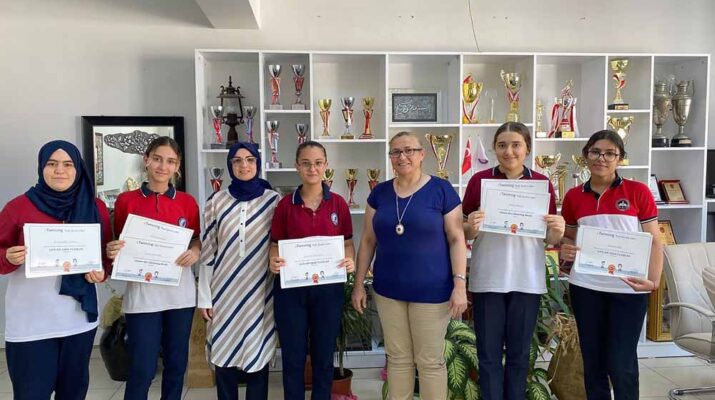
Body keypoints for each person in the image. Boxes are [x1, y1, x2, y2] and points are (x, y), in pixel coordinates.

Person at [352, 131, 467, 400]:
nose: (402, 156)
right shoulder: (379, 193)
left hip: (432, 291)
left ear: (422, 154)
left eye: (409, 150)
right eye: (395, 152)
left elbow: (456, 238)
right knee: (398, 358)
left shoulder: (441, 190)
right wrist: (358, 284)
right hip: (388, 290)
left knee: (430, 361)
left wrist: (460, 284)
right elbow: (367, 240)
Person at [0, 140, 112, 399]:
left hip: (77, 320)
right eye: (52, 164)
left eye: (68, 164)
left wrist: (101, 272)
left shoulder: (95, 207)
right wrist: (7, 256)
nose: (60, 170)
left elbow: (103, 256)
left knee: (73, 393)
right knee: (31, 394)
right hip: (31, 323)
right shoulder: (18, 207)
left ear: (78, 169)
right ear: (41, 168)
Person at [462, 122, 564, 400]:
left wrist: (557, 231)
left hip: (526, 279)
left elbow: (548, 238)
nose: (509, 151)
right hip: (488, 278)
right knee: (488, 356)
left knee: (519, 357)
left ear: (527, 148)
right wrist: (471, 225)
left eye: (516, 145)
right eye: (502, 145)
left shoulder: (541, 183)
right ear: (494, 148)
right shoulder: (479, 181)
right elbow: (464, 231)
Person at [560, 130, 663, 400]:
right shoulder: (573, 196)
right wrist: (565, 248)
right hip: (586, 288)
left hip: (628, 289)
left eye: (610, 153)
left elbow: (655, 241)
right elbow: (569, 237)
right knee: (593, 362)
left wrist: (653, 282)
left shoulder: (638, 191)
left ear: (620, 158)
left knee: (621, 362)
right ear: (586, 156)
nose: (601, 158)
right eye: (595, 152)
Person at [105, 137, 201, 400]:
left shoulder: (187, 202)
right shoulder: (126, 201)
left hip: (179, 296)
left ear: (177, 166)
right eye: (157, 159)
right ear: (146, 160)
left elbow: (196, 240)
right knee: (142, 369)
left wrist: (195, 251)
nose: (162, 166)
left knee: (176, 366)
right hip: (142, 297)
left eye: (170, 161)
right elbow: (118, 243)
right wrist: (113, 249)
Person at [269, 141, 355, 400]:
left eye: (318, 163)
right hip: (291, 292)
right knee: (293, 357)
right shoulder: (285, 205)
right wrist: (274, 261)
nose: (312, 168)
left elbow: (347, 243)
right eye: (306, 163)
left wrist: (349, 260)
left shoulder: (338, 204)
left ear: (326, 165)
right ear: (297, 166)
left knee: (323, 356)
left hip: (328, 290)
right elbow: (274, 245)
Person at [198, 142, 280, 400]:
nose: (244, 165)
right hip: (224, 292)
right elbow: (208, 251)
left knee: (257, 354)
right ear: (230, 165)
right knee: (224, 354)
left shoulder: (274, 201)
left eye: (250, 160)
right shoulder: (217, 201)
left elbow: (280, 245)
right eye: (237, 160)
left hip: (260, 292)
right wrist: (205, 297)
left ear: (258, 163)